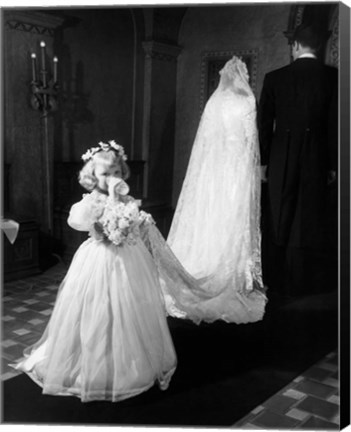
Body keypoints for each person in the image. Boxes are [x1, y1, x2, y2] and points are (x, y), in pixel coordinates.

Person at [12, 140, 177, 402]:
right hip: (99, 259)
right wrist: (107, 212)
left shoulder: (128, 200)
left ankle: (130, 359)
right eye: (105, 174)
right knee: (97, 305)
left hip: (127, 260)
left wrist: (135, 218)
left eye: (116, 172)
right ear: (92, 176)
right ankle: (92, 360)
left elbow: (131, 223)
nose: (112, 178)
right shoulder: (91, 201)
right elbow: (78, 221)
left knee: (128, 305)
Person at [163, 55, 266, 323]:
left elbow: (205, 142)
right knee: (232, 216)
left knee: (209, 214)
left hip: (212, 168)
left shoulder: (213, 102)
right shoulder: (247, 101)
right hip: (236, 167)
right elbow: (251, 141)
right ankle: (232, 274)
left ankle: (206, 263)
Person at [258, 23, 338, 298]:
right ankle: (308, 284)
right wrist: (332, 165)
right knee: (311, 216)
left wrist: (264, 162)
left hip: (281, 154)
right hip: (317, 155)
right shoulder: (334, 77)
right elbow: (335, 125)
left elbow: (264, 123)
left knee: (280, 214)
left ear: (294, 46)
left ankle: (278, 283)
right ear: (318, 46)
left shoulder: (275, 77)